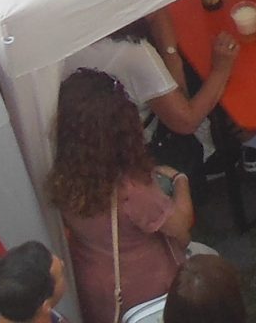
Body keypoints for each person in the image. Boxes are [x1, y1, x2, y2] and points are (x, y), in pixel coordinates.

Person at [46, 68, 194, 323]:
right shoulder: (132, 189)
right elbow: (182, 230)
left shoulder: (62, 173)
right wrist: (181, 181)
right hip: (149, 293)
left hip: (98, 291)